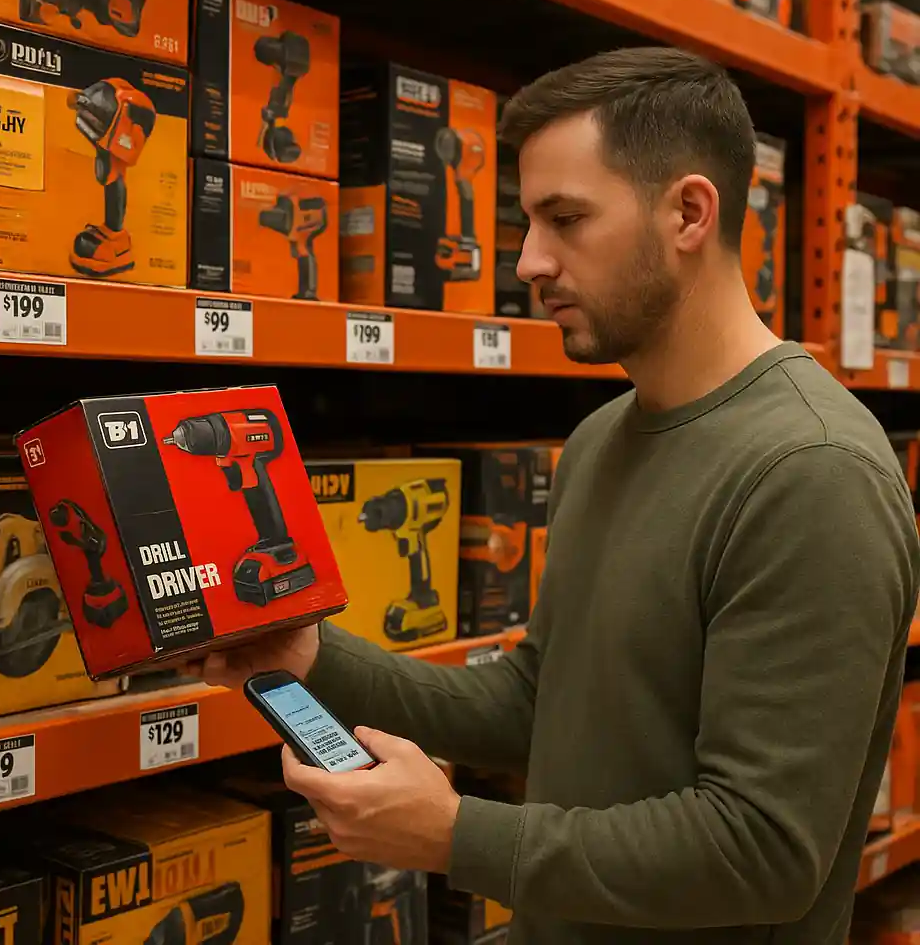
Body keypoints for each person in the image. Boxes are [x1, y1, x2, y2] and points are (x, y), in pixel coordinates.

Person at [185, 47, 920, 944]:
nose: (530, 261)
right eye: (528, 222)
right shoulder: (603, 439)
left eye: (566, 218)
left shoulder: (811, 472)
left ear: (690, 212)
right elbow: (541, 702)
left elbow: (762, 849)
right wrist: (308, 654)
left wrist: (458, 835)